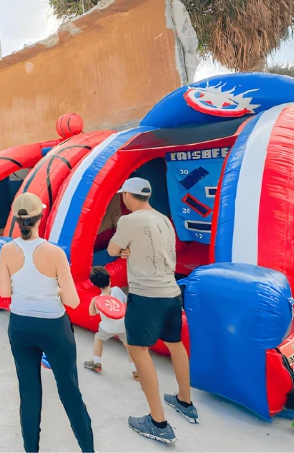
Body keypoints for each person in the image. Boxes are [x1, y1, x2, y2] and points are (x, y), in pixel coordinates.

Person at [0, 192, 94, 453]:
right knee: (69, 392)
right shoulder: (54, 252)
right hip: (53, 326)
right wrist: (57, 291)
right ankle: (88, 449)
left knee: (28, 395)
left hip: (20, 325)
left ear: (18, 221)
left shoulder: (7, 249)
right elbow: (73, 301)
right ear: (41, 217)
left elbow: (5, 293)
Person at [107, 178, 197, 443]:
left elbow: (113, 249)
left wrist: (123, 250)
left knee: (138, 351)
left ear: (127, 195)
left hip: (146, 296)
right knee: (175, 344)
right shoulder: (163, 219)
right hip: (171, 293)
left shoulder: (129, 220)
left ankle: (158, 423)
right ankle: (185, 401)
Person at [82, 266, 138, 380]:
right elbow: (125, 303)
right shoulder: (117, 290)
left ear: (94, 284)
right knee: (129, 347)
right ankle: (136, 371)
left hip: (107, 327)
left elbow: (92, 313)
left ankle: (96, 362)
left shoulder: (99, 299)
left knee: (98, 338)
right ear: (109, 279)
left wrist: (93, 301)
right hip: (123, 325)